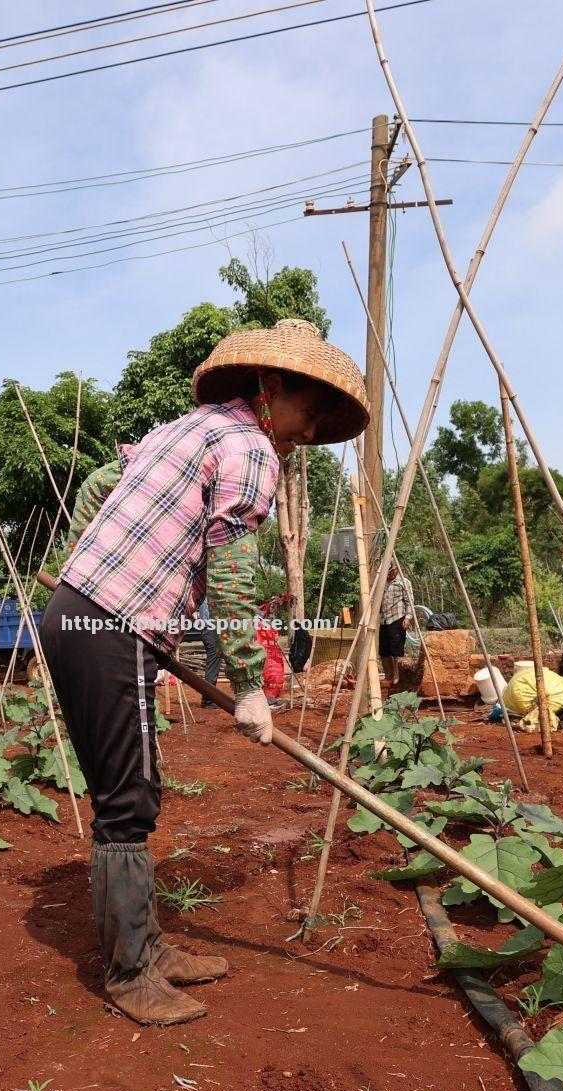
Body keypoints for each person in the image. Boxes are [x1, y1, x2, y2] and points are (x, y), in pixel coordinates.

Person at [38, 319, 368, 1025]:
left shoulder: (183, 430)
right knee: (125, 807)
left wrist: (66, 567)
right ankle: (130, 976)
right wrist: (250, 682)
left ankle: (150, 949)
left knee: (139, 787)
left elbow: (103, 479)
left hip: (92, 616)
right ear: (271, 388)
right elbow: (233, 571)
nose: (308, 434)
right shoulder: (251, 449)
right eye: (310, 414)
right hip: (110, 625)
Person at [378, 559, 414, 682]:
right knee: (384, 650)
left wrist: (408, 618)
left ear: (396, 570)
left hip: (397, 617)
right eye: (387, 572)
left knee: (397, 649)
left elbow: (409, 601)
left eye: (392, 571)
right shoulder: (381, 582)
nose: (390, 574)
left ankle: (398, 677)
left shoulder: (404, 582)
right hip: (384, 619)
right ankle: (388, 675)